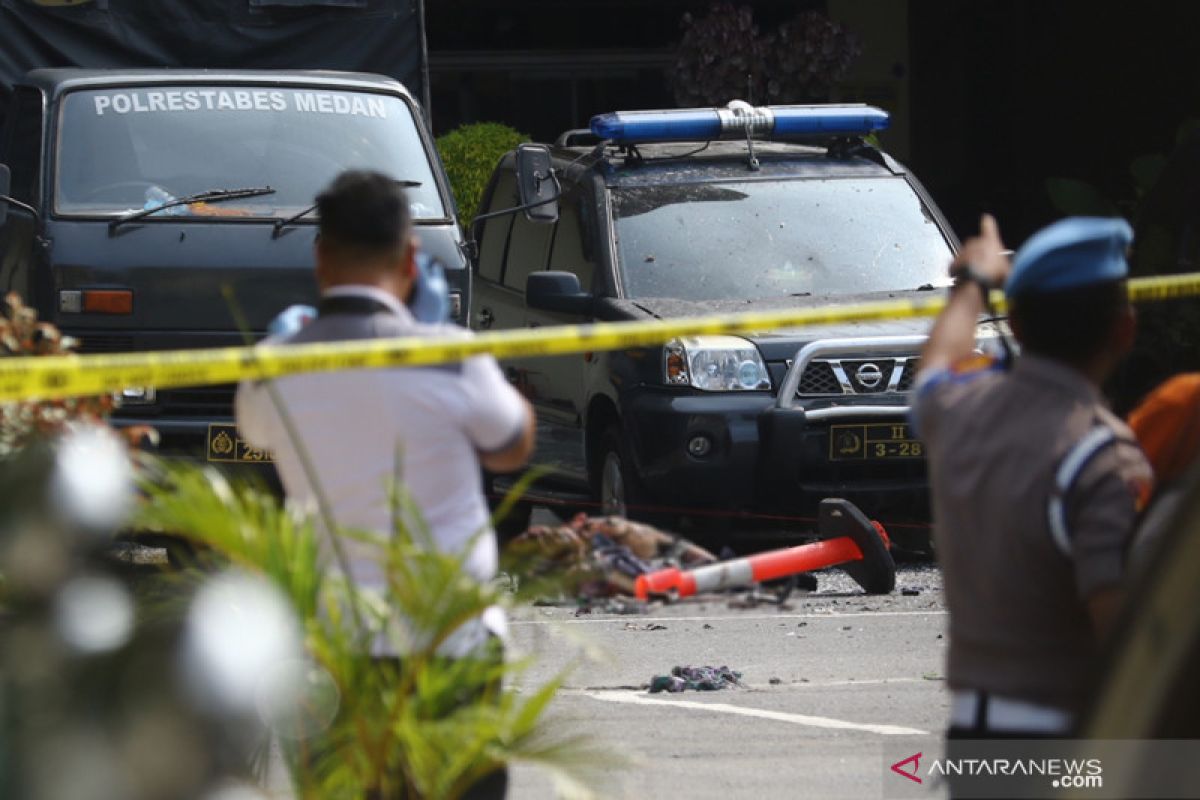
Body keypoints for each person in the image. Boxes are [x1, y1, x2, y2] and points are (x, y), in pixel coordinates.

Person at [235, 170, 535, 797]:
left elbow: (257, 432)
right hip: (449, 643)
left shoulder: (271, 370)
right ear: (410, 259)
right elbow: (512, 447)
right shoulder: (452, 356)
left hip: (333, 652)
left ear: (319, 258)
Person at [913, 215, 1153, 741]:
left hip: (974, 742)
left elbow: (932, 370)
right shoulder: (1103, 457)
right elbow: (1121, 640)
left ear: (1017, 327)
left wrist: (973, 283)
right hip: (1065, 747)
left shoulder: (961, 410)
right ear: (1125, 330)